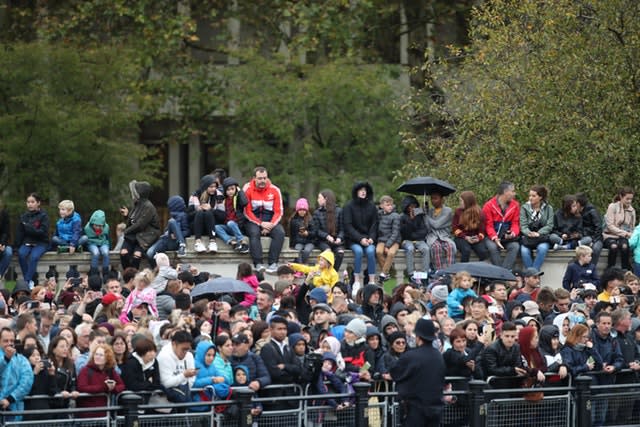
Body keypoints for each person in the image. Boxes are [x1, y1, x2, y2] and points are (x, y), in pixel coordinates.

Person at [390, 318, 445, 426]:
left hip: (415, 410)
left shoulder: (411, 356)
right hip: (435, 409)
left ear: (418, 336)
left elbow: (395, 373)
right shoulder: (438, 356)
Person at [243, 167, 285, 274]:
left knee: (280, 233)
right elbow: (247, 212)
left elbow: (278, 211)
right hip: (253, 219)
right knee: (254, 232)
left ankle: (273, 263)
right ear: (254, 178)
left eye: (264, 178)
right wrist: (261, 224)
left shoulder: (275, 190)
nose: (262, 181)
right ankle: (258, 263)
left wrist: (270, 225)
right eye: (260, 178)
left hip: (270, 219)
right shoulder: (247, 189)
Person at [343, 181, 378, 293]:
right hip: (354, 240)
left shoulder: (372, 206)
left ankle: (372, 281)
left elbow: (375, 224)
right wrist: (360, 239)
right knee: (358, 252)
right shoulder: (349, 206)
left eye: (365, 190)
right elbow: (348, 226)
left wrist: (371, 237)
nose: (363, 192)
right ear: (356, 191)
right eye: (361, 190)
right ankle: (357, 281)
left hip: (368, 239)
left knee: (371, 251)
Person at [119, 180, 161, 270]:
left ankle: (133, 277)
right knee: (123, 253)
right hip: (134, 236)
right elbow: (133, 221)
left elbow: (140, 225)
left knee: (136, 255)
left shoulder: (148, 207)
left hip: (145, 236)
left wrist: (125, 231)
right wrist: (127, 215)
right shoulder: (137, 204)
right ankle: (128, 275)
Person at [76, 343, 125, 418]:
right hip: (87, 414)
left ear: (107, 358)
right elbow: (81, 387)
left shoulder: (110, 371)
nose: (97, 357)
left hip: (104, 414)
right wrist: (103, 388)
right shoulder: (85, 370)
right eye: (96, 354)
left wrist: (113, 388)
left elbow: (122, 385)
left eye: (101, 355)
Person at [483, 181, 521, 270]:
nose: (514, 193)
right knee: (492, 248)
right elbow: (488, 225)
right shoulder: (488, 206)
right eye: (512, 191)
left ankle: (503, 273)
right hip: (491, 237)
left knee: (515, 246)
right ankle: (501, 274)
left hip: (506, 238)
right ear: (505, 192)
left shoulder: (515, 205)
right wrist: (495, 238)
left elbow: (515, 223)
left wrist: (512, 233)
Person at [0, 328, 34, 421]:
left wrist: (10, 399)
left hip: (13, 409)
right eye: (5, 341)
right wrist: (6, 359)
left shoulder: (22, 360)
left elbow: (27, 381)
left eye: (12, 340)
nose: (9, 343)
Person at [16, 193, 49, 287]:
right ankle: (30, 281)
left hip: (41, 243)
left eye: (32, 202)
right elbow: (20, 232)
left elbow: (42, 232)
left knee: (33, 257)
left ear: (38, 203)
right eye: (28, 202)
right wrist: (16, 246)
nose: (30, 204)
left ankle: (26, 282)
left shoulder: (44, 216)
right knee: (21, 254)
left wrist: (28, 227)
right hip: (27, 242)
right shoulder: (24, 216)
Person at [519, 185, 555, 271]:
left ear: (540, 197)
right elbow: (523, 225)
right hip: (528, 238)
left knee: (542, 249)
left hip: (542, 237)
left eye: (533, 196)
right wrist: (529, 233)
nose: (530, 198)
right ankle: (534, 276)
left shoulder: (548, 208)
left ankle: (532, 275)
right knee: (524, 251)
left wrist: (539, 233)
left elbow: (550, 225)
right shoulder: (524, 208)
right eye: (530, 196)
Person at [157, 330, 197, 404]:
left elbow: (192, 378)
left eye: (187, 349)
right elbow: (166, 383)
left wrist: (186, 387)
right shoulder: (164, 356)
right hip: (166, 402)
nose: (185, 352)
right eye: (183, 349)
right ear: (174, 344)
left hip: (183, 398)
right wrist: (184, 375)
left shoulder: (189, 356)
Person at [147, 195, 190, 259]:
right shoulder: (172, 215)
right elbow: (167, 230)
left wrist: (177, 235)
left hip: (174, 241)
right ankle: (156, 268)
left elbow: (187, 231)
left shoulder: (183, 216)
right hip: (164, 239)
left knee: (171, 221)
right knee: (149, 253)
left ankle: (182, 245)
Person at [312, 189, 345, 271]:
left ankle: (333, 272)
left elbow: (342, 229)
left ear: (325, 199)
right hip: (322, 241)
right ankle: (328, 275)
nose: (318, 200)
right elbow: (316, 230)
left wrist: (339, 238)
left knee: (340, 253)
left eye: (319, 198)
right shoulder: (317, 213)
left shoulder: (339, 211)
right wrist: (326, 236)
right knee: (328, 253)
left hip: (336, 241)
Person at [603, 187, 635, 270]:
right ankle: (610, 269)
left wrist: (629, 234)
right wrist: (625, 233)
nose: (629, 201)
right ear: (621, 197)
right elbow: (610, 226)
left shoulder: (632, 211)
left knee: (624, 247)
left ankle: (625, 270)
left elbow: (632, 227)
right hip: (610, 235)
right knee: (613, 247)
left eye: (631, 199)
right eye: (627, 199)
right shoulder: (612, 207)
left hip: (623, 237)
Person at [399, 195, 430, 282]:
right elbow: (403, 232)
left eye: (414, 206)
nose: (412, 208)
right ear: (406, 206)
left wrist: (414, 236)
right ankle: (411, 274)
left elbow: (424, 231)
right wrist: (411, 220)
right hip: (406, 241)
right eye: (410, 206)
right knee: (410, 249)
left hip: (419, 240)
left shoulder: (420, 216)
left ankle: (425, 275)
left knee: (426, 249)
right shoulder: (402, 217)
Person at [452, 190, 488, 263]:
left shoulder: (479, 213)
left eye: (461, 201)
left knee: (483, 252)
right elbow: (454, 228)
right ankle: (462, 272)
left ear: (467, 202)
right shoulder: (458, 212)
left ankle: (480, 271)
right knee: (466, 250)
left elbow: (482, 230)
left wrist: (478, 238)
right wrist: (465, 237)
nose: (460, 203)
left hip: (475, 237)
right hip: (461, 237)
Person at [121, 337, 161, 401]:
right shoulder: (131, 363)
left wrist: (146, 384)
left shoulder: (154, 362)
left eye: (154, 351)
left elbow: (157, 383)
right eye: (150, 351)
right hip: (132, 397)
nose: (153, 354)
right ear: (142, 352)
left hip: (151, 396)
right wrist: (148, 382)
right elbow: (132, 385)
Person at [216, 177, 249, 253]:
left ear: (236, 189)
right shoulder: (224, 200)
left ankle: (243, 242)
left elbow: (244, 203)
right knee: (216, 227)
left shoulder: (238, 198)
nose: (230, 191)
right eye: (228, 190)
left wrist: (239, 191)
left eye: (232, 189)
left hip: (237, 226)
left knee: (230, 223)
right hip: (228, 226)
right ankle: (232, 242)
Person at [425, 192, 456, 270]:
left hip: (444, 236)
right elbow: (428, 227)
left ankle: (449, 272)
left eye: (435, 198)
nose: (433, 200)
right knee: (436, 247)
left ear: (442, 199)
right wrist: (426, 213)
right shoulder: (430, 211)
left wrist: (426, 215)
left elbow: (436, 225)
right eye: (432, 198)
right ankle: (438, 273)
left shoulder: (448, 211)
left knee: (450, 246)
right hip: (432, 236)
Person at [376, 195, 401, 283]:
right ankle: (386, 273)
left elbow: (395, 233)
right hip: (382, 239)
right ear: (382, 206)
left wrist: (387, 245)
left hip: (394, 241)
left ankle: (383, 273)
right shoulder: (379, 215)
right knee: (378, 251)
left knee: (391, 253)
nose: (390, 207)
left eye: (391, 205)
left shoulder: (395, 216)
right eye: (387, 205)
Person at [576, 192, 604, 267]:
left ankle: (591, 268)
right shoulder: (579, 213)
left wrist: (594, 240)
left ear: (578, 203)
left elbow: (599, 227)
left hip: (596, 238)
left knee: (595, 249)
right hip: (586, 237)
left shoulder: (592, 211)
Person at [83, 209, 111, 278]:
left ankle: (105, 274)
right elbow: (86, 240)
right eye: (96, 225)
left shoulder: (106, 227)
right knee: (96, 253)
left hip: (103, 242)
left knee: (105, 252)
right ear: (92, 223)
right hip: (92, 243)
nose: (98, 227)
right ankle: (94, 274)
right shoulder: (87, 228)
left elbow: (108, 238)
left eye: (100, 226)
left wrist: (109, 246)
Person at [289, 197, 315, 264]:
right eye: (300, 210)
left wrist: (308, 233)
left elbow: (314, 233)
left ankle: (302, 266)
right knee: (297, 250)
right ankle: (300, 268)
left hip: (309, 242)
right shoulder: (293, 220)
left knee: (306, 251)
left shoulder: (310, 219)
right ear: (297, 210)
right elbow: (292, 234)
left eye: (304, 210)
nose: (302, 211)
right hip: (299, 242)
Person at [0, 201, 11, 281]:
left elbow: (6, 231)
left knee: (8, 252)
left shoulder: (4, 214)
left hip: (2, 243)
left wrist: (2, 243)